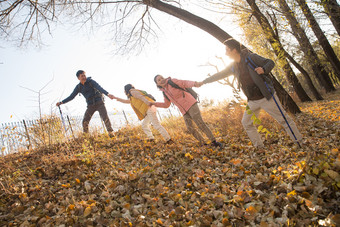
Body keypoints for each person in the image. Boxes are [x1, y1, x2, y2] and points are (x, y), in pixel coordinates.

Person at [197, 38, 302, 149]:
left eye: (227, 50)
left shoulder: (251, 57)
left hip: (267, 97)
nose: (225, 53)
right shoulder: (233, 66)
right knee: (246, 123)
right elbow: (220, 74)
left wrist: (263, 69)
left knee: (284, 120)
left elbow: (270, 62)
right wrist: (204, 82)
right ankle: (259, 147)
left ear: (234, 50)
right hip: (252, 101)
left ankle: (300, 143)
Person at [153, 75, 223, 148]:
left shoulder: (172, 81)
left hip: (191, 104)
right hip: (184, 111)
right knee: (190, 128)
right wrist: (154, 104)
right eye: (159, 80)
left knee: (200, 123)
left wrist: (195, 83)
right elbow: (166, 104)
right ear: (157, 84)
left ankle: (214, 142)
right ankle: (204, 144)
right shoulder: (165, 92)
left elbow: (184, 83)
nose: (161, 80)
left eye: (162, 77)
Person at [56, 70, 115, 137]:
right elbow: (71, 96)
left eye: (84, 75)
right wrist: (61, 102)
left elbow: (99, 88)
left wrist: (108, 94)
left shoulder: (91, 82)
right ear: (78, 78)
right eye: (82, 76)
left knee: (105, 117)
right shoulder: (78, 87)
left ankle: (110, 132)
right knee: (85, 121)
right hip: (90, 105)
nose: (84, 77)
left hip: (99, 102)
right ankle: (86, 136)